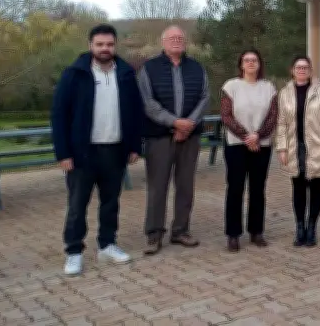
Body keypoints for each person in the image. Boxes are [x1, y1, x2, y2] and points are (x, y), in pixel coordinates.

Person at [51, 24, 144, 275]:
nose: (105, 49)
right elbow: (59, 115)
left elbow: (136, 112)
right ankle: (73, 252)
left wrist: (135, 145)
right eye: (100, 44)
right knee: (77, 205)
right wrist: (63, 153)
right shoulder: (74, 74)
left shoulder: (125, 74)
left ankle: (107, 244)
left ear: (115, 45)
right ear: (90, 45)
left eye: (110, 44)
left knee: (111, 203)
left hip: (115, 150)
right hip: (82, 153)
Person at [138, 25, 210, 255]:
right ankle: (154, 234)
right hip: (159, 137)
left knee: (186, 186)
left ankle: (180, 230)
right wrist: (174, 122)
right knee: (158, 186)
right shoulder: (149, 68)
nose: (177, 41)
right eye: (172, 38)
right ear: (163, 41)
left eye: (180, 37)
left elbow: (205, 97)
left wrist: (188, 124)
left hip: (189, 137)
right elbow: (148, 102)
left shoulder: (197, 68)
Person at [275, 56, 320, 247]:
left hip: (318, 147)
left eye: (305, 67)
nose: (302, 70)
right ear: (292, 70)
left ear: (311, 71)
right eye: (298, 67)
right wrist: (282, 147)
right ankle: (300, 227)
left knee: (317, 188)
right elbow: (281, 123)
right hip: (295, 148)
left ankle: (312, 227)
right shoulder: (285, 93)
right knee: (298, 189)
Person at [220, 49, 278, 252]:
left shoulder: (268, 87)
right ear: (241, 64)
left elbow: (273, 116)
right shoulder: (231, 86)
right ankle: (233, 234)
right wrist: (247, 136)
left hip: (261, 146)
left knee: (257, 189)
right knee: (235, 188)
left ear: (260, 64)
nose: (251, 63)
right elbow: (226, 116)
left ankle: (256, 231)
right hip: (236, 145)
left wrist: (258, 136)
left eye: (254, 60)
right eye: (247, 60)